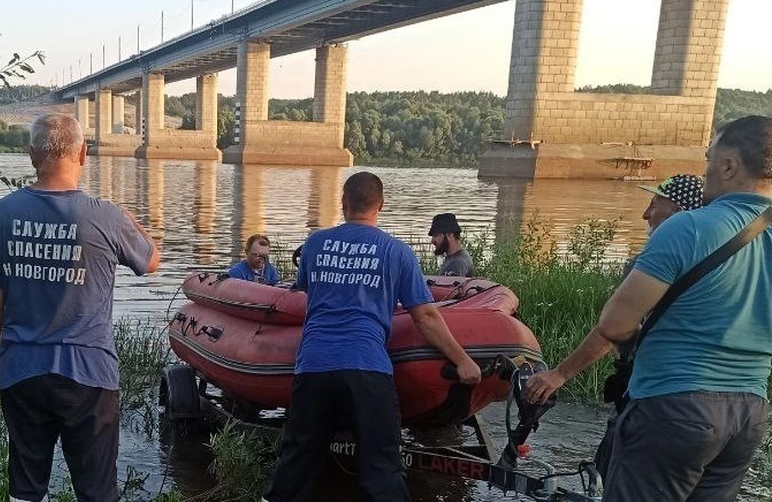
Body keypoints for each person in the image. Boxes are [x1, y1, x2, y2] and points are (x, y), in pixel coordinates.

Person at [262, 171, 482, 502]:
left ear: (343, 204)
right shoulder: (397, 253)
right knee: (382, 472)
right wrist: (463, 361)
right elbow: (425, 317)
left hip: (313, 367)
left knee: (295, 466)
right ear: (381, 205)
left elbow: (307, 292)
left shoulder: (315, 244)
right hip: (367, 367)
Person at [0, 113, 160, 502]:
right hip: (89, 372)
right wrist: (128, 217)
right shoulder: (105, 215)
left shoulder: (3, 213)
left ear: (31, 155)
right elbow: (150, 261)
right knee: (96, 492)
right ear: (83, 153)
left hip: (23, 368)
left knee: (25, 489)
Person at [596, 115, 772, 502]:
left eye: (710, 157)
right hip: (749, 414)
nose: (705, 169)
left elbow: (614, 323)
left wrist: (634, 346)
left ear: (729, 165)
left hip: (674, 404)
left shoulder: (687, 227)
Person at [525, 173, 704, 404]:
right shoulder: (722, 261)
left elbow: (615, 328)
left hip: (656, 392)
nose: (645, 214)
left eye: (654, 205)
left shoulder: (651, 262)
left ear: (677, 214)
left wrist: (559, 374)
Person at [428, 212, 475, 276]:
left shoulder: (457, 263)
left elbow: (446, 286)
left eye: (436, 235)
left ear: (450, 235)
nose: (432, 241)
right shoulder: (456, 257)